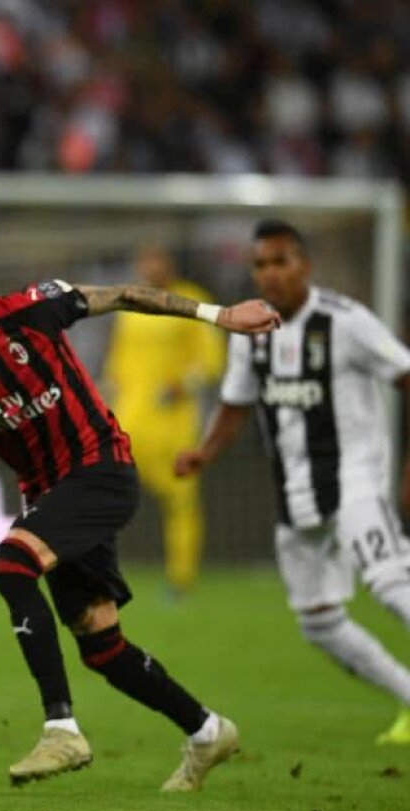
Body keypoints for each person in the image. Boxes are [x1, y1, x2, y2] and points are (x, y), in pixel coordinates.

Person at [0, 229, 278, 790]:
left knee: (10, 565)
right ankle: (207, 731)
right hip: (47, 495)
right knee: (102, 647)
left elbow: (125, 296)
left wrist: (220, 315)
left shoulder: (30, 311)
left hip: (101, 467)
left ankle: (61, 729)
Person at [176, 219, 410, 746]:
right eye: (260, 264)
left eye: (280, 262)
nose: (270, 273)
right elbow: (235, 405)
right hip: (294, 488)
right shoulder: (252, 330)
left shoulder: (346, 321)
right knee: (319, 622)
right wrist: (204, 454)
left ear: (305, 265)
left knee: (391, 582)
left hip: (354, 477)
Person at [103, 243, 224, 596]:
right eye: (145, 260)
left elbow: (212, 361)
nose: (150, 267)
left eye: (156, 259)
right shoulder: (130, 305)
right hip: (128, 420)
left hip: (174, 422)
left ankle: (180, 579)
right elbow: (117, 364)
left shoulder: (192, 300)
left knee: (180, 499)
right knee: (102, 491)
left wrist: (181, 385)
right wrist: (105, 393)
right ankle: (96, 571)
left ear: (170, 263)